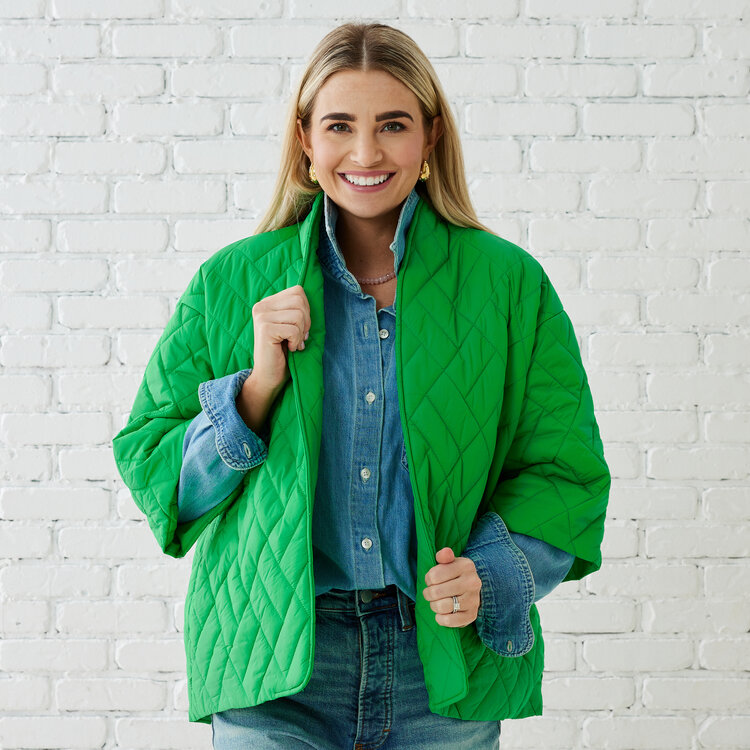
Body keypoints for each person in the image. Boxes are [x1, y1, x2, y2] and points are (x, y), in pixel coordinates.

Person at [112, 22, 611, 750]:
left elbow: (566, 473)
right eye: (340, 125)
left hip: (441, 666)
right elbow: (155, 470)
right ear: (306, 142)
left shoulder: (509, 286)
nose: (367, 153)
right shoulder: (231, 283)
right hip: (273, 666)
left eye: (393, 125)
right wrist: (254, 391)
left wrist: (493, 571)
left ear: (430, 138)